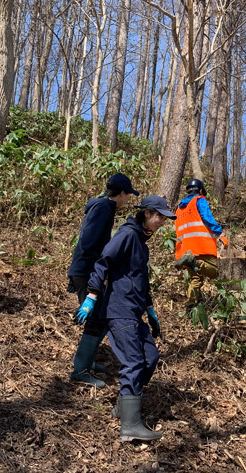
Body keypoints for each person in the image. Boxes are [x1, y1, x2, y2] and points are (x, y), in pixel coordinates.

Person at [75, 195, 175, 441]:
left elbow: (140, 279)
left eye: (164, 218)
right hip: (119, 310)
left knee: (150, 357)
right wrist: (91, 296)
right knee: (133, 362)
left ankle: (123, 406)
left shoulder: (141, 242)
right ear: (147, 213)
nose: (162, 221)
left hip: (133, 310)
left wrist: (150, 310)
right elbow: (103, 262)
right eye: (159, 216)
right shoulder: (127, 235)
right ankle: (130, 426)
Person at [67, 173, 139, 387]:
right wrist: (95, 270)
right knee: (96, 318)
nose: (128, 200)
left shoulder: (101, 206)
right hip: (88, 271)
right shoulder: (104, 208)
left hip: (85, 269)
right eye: (128, 195)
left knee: (100, 316)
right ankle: (80, 370)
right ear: (122, 193)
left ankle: (87, 360)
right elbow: (89, 242)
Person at [173, 179, 227, 311]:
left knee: (195, 279)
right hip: (201, 245)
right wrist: (220, 234)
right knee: (215, 272)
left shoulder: (179, 209)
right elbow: (207, 218)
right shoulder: (199, 200)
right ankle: (196, 263)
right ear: (201, 190)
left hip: (186, 248)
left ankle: (189, 308)